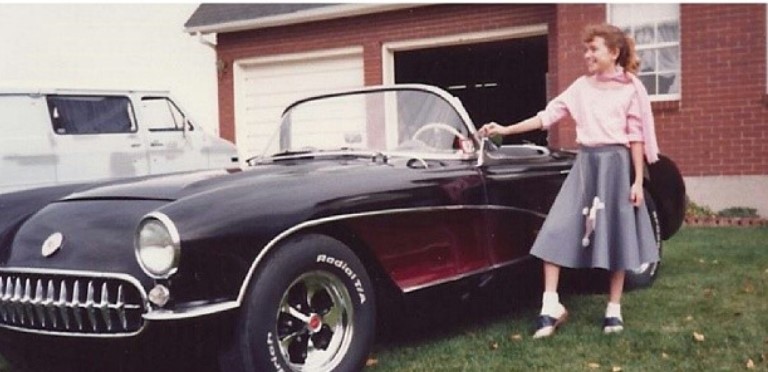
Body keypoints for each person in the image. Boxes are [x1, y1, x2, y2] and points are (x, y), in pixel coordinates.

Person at [478, 23, 660, 338]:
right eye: (586, 49)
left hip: (616, 166)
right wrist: (504, 130)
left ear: (613, 53)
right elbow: (546, 116)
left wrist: (637, 182)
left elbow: (636, 138)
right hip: (585, 165)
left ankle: (613, 309)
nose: (587, 54)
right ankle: (551, 306)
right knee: (556, 228)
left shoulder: (630, 90)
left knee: (618, 235)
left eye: (594, 49)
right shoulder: (580, 87)